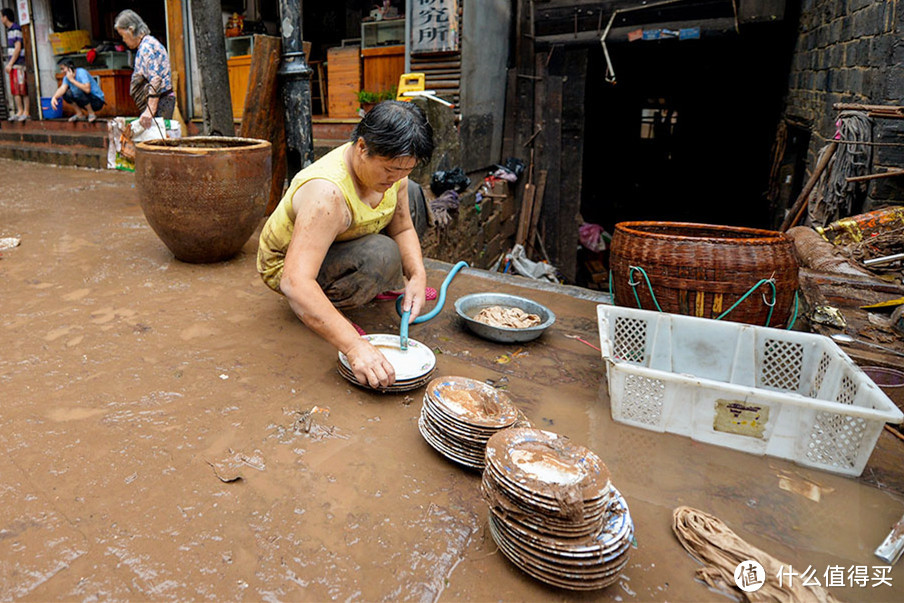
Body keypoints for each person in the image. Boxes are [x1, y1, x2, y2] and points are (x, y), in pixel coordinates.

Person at [257, 101, 434, 389]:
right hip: (287, 265)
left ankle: (379, 284)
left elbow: (402, 226)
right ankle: (323, 307)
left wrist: (416, 276)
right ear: (362, 148)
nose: (396, 178)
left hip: (339, 241)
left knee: (413, 193)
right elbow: (294, 280)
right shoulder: (327, 195)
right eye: (390, 170)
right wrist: (354, 346)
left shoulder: (397, 174)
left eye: (404, 170)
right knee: (382, 254)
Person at [113, 10, 174, 129]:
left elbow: (156, 79)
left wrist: (150, 111)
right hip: (161, 101)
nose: (123, 40)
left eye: (123, 36)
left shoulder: (146, 47)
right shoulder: (147, 43)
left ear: (131, 30)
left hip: (161, 102)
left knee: (158, 142)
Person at [50, 58, 105, 122]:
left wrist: (72, 80)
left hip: (97, 101)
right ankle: (79, 114)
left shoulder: (81, 72)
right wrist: (54, 97)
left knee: (77, 92)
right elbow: (62, 88)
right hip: (84, 100)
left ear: (70, 67)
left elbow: (87, 89)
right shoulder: (66, 77)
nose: (62, 71)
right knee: (66, 94)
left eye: (63, 69)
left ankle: (91, 113)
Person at [1, 8, 29, 122]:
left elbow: (18, 48)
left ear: (5, 17)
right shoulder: (9, 30)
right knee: (15, 88)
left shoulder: (15, 29)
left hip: (19, 63)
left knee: (22, 88)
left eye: (1, 16)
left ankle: (26, 111)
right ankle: (19, 111)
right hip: (14, 64)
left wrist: (10, 63)